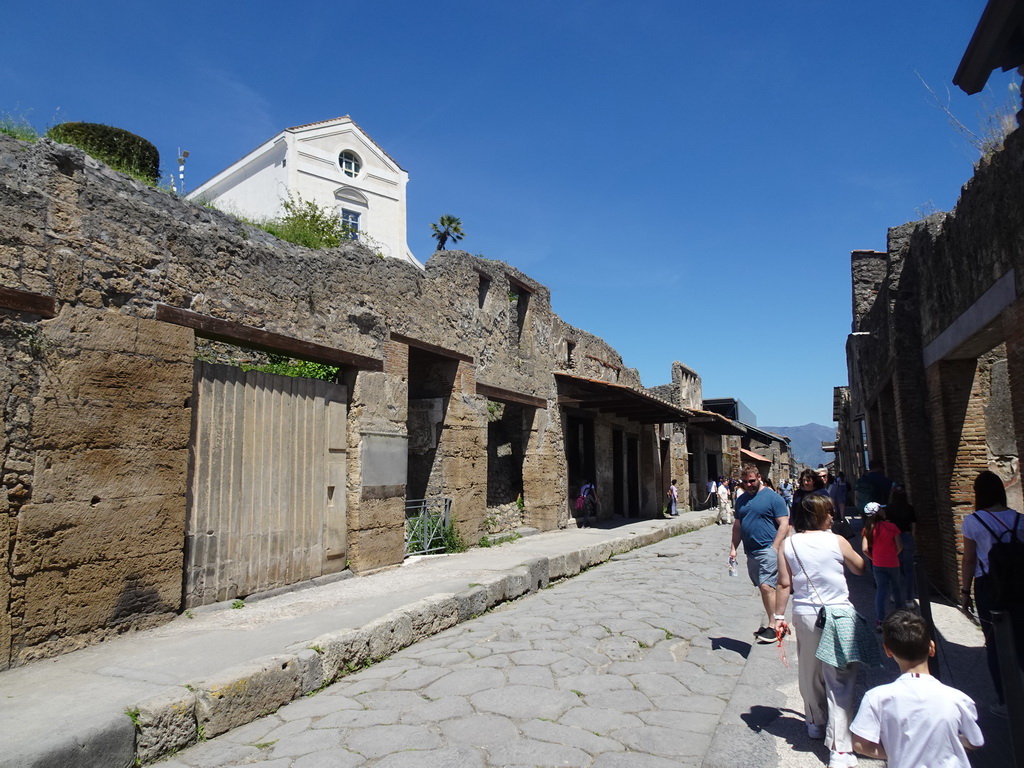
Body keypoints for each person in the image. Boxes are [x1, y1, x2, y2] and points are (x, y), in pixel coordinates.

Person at [774, 494, 869, 768]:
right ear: (817, 515)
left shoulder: (789, 544)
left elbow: (784, 584)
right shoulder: (836, 540)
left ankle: (815, 722)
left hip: (805, 614)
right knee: (839, 677)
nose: (832, 517)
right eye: (828, 513)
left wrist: (779, 617)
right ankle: (840, 749)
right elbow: (861, 568)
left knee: (810, 670)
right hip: (837, 612)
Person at [851, 610, 983, 766]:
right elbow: (975, 741)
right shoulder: (958, 699)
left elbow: (860, 745)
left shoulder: (876, 697)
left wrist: (898, 753)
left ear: (888, 651)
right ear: (932, 648)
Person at [960, 470, 1024, 717]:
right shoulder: (1019, 519)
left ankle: (1006, 701)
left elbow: (969, 560)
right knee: (1021, 639)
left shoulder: (973, 521)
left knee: (995, 644)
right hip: (1018, 586)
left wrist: (965, 592)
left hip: (989, 586)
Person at [730, 464, 790, 644]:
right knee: (763, 588)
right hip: (751, 551)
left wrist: (775, 547)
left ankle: (774, 625)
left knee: (766, 586)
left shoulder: (773, 498)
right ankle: (775, 621)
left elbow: (784, 523)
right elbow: (738, 526)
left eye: (752, 481)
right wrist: (733, 548)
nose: (749, 485)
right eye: (745, 482)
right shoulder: (741, 500)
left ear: (759, 477)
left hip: (767, 549)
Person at [862, 501, 903, 628]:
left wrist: (873, 558)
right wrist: (893, 554)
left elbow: (864, 549)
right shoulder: (891, 527)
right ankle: (900, 618)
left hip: (878, 564)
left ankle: (880, 620)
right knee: (896, 589)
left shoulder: (867, 529)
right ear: (879, 512)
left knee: (881, 591)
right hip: (892, 562)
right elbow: (900, 546)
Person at [885, 482, 917, 606]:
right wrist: (911, 536)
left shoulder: (889, 508)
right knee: (909, 571)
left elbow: (887, 524)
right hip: (907, 536)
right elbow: (914, 525)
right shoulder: (909, 508)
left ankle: (895, 595)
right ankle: (909, 599)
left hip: (893, 539)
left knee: (895, 569)